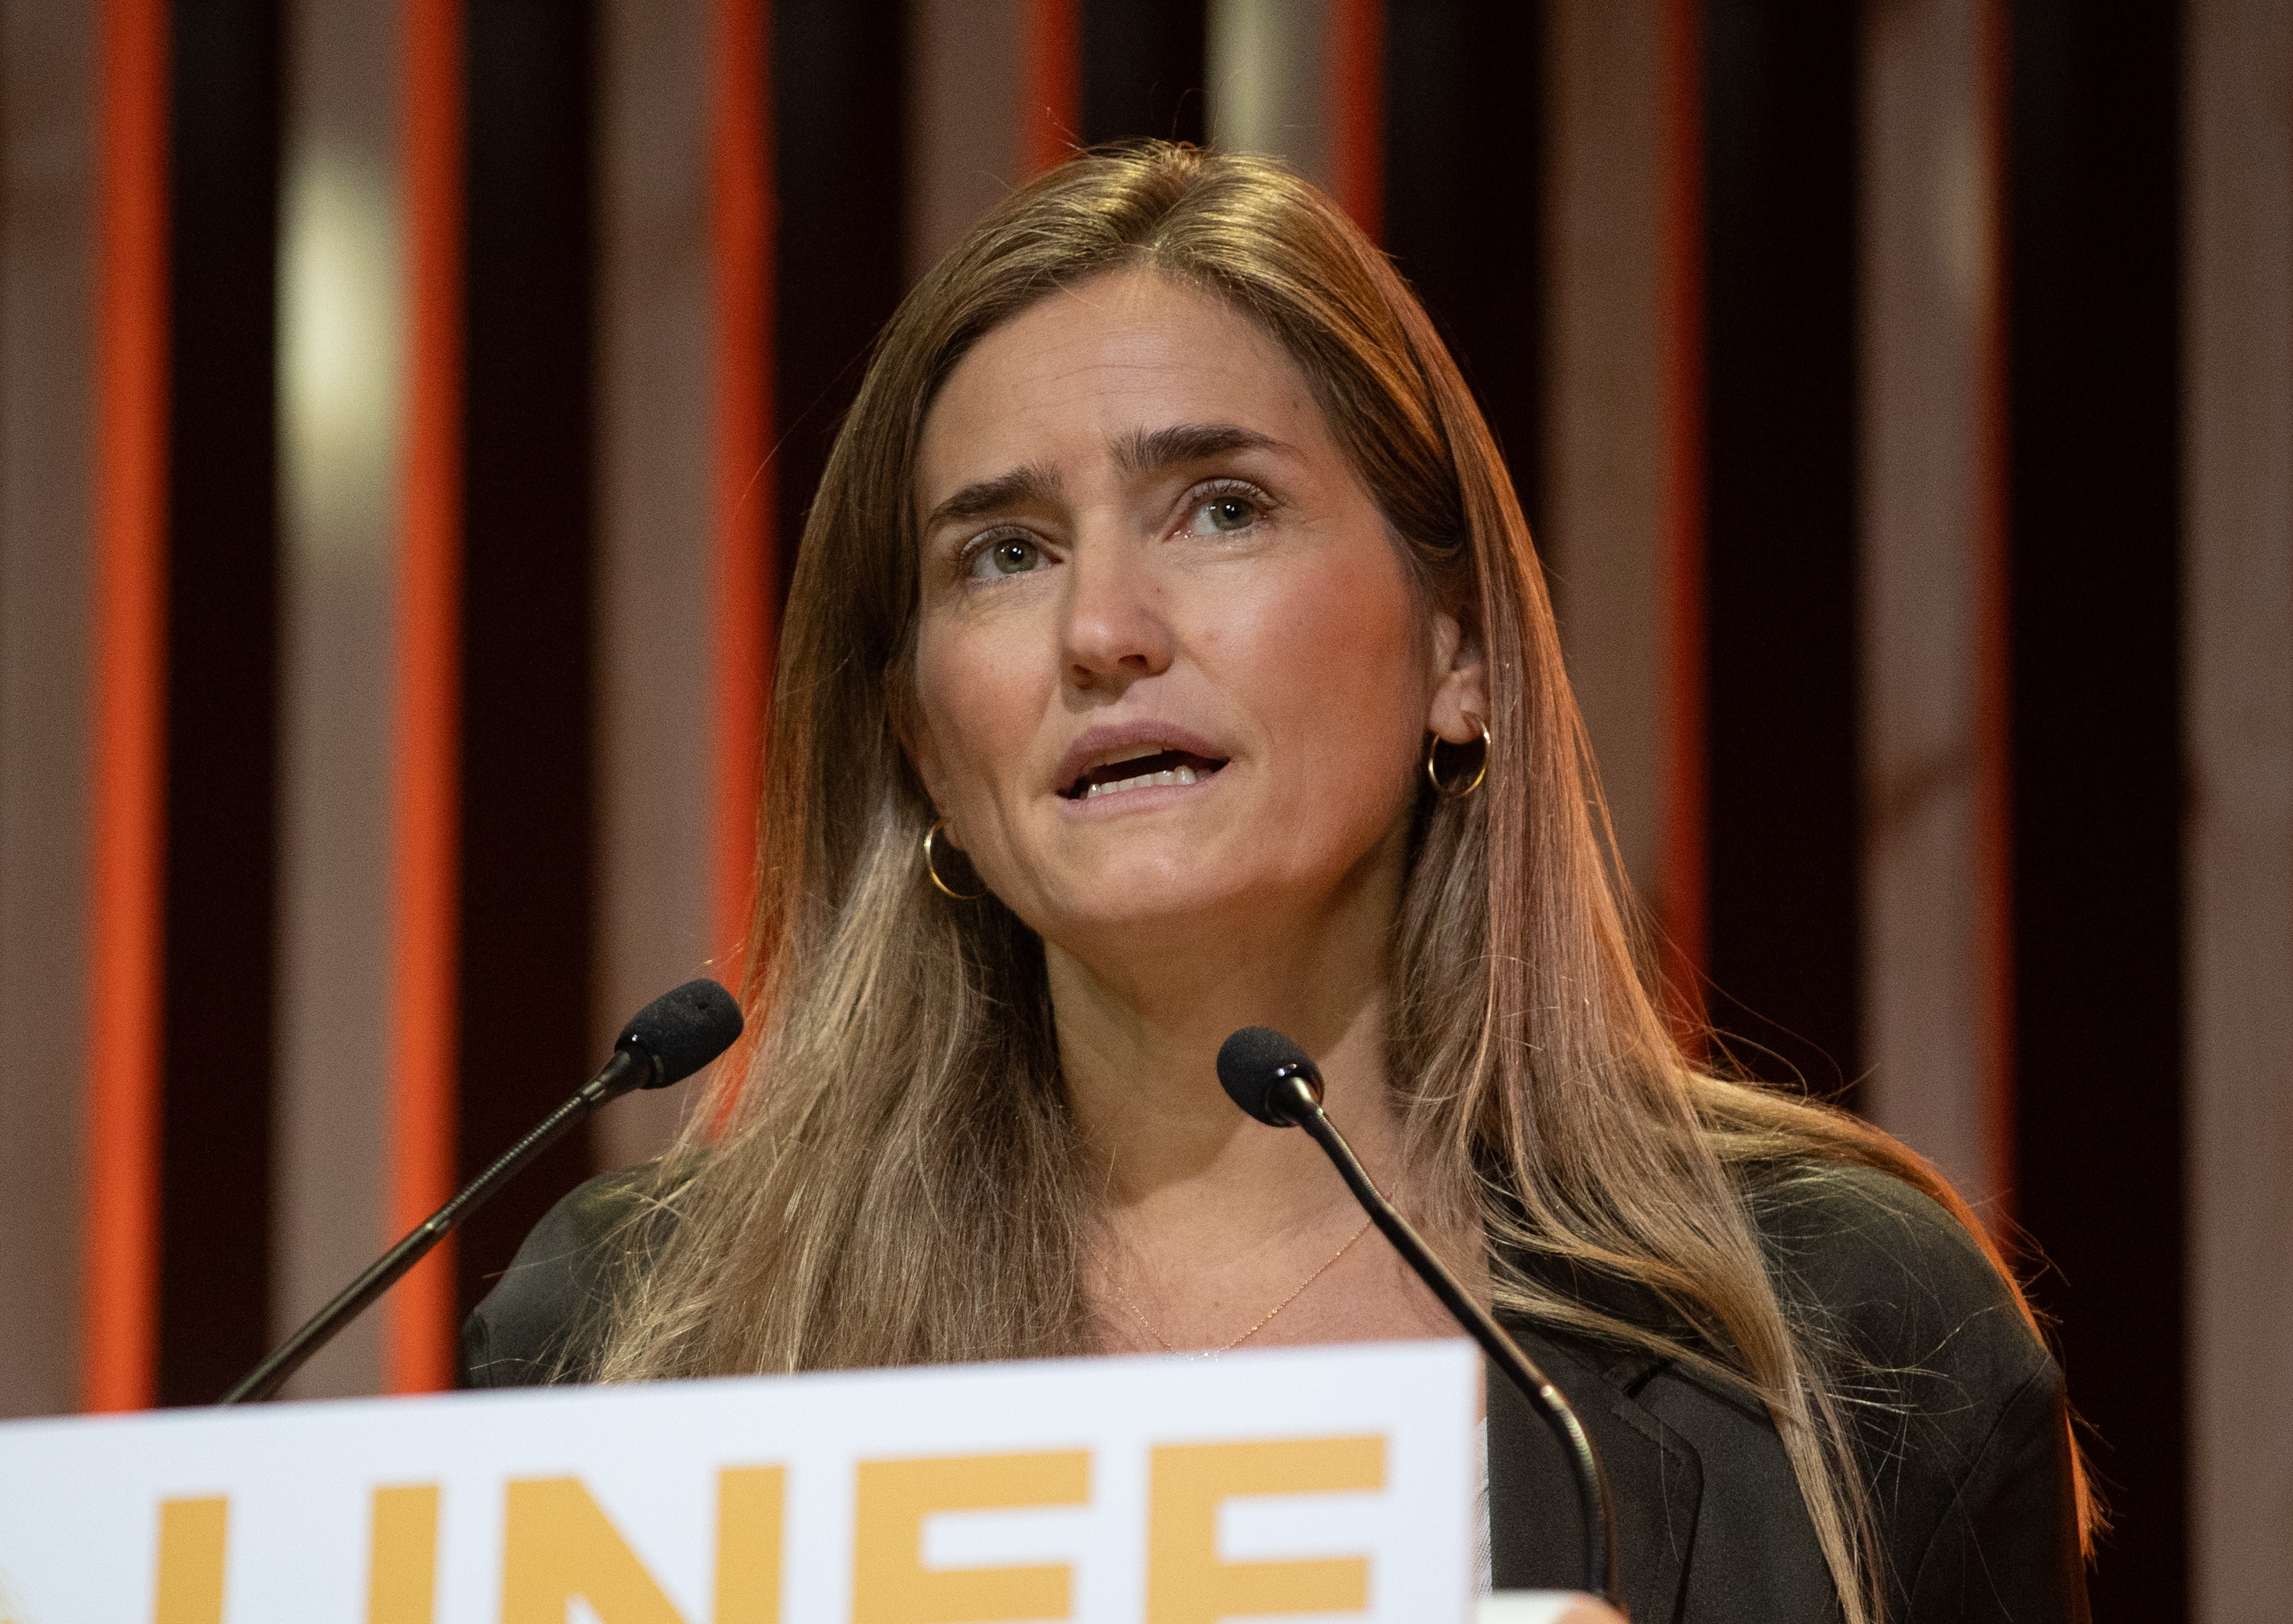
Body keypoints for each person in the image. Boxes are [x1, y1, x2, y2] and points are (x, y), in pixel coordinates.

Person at [463, 143, 2089, 1624]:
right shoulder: (623, 1337)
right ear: (920, 743)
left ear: (1461, 652)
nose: (1104, 626)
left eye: (1221, 509)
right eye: (1004, 553)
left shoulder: (1850, 1327)